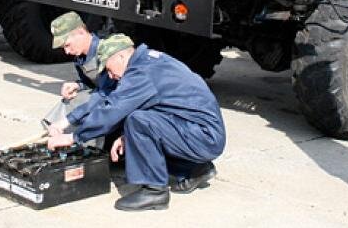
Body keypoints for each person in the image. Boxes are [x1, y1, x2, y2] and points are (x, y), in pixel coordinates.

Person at [47, 34, 226, 211]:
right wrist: (127, 137)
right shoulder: (148, 61)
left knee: (137, 121)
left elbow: (112, 110)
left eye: (109, 69)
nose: (112, 76)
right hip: (196, 130)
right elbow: (161, 106)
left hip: (203, 136)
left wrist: (74, 137)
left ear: (121, 56)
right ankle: (194, 169)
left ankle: (154, 191)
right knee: (135, 131)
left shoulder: (142, 73)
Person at [43, 11, 117, 131]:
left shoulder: (105, 52)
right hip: (102, 95)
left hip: (115, 101)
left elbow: (106, 93)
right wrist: (78, 85)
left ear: (81, 32)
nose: (66, 52)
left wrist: (69, 119)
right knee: (69, 101)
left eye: (67, 45)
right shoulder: (80, 57)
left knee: (84, 105)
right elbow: (91, 84)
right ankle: (53, 131)